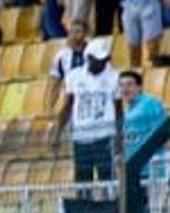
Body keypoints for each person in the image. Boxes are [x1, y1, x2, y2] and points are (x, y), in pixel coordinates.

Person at [51, 35, 121, 181]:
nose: (101, 64)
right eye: (98, 60)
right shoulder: (74, 76)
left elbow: (119, 109)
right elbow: (67, 105)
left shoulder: (114, 77)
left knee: (107, 176)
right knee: (82, 178)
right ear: (88, 58)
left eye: (104, 60)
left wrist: (119, 136)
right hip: (81, 135)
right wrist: (58, 132)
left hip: (105, 135)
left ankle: (109, 203)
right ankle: (84, 203)